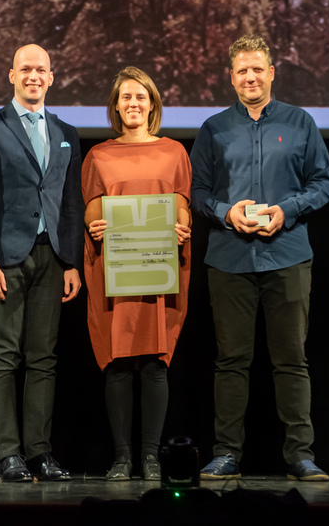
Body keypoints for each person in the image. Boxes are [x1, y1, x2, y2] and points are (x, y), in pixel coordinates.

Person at [190, 34, 329, 481]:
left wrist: (286, 211)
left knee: (291, 358)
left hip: (287, 256)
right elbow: (197, 192)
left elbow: (323, 184)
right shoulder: (214, 128)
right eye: (241, 71)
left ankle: (300, 456)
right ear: (231, 78)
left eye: (257, 69)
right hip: (229, 259)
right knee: (231, 360)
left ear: (272, 73)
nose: (250, 77)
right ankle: (227, 453)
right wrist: (224, 211)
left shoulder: (300, 122)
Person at [0, 44, 83, 482]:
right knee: (4, 355)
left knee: (44, 359)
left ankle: (40, 453)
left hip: (52, 257)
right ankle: (8, 454)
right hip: (6, 258)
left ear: (52, 77)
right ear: (11, 75)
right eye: (25, 69)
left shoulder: (66, 131)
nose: (34, 76)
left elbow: (71, 202)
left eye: (41, 70)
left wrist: (71, 261)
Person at [82, 67, 192, 481]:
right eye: (125, 97)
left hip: (159, 268)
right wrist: (96, 227)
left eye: (140, 97)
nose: (133, 104)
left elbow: (181, 208)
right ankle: (123, 458)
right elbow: (93, 211)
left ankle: (150, 457)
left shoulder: (174, 152)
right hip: (115, 269)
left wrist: (183, 228)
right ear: (115, 106)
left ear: (152, 104)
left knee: (155, 362)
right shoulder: (99, 156)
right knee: (118, 362)